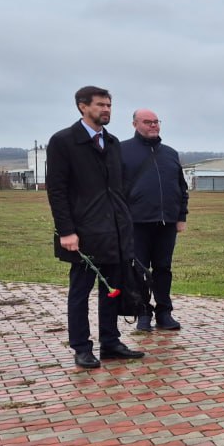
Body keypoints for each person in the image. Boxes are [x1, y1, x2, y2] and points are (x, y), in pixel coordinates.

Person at [46, 86, 143, 369]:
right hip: (83, 233)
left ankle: (110, 342)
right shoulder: (64, 141)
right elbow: (57, 190)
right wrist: (66, 231)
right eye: (101, 105)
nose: (106, 110)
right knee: (80, 292)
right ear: (82, 107)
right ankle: (81, 347)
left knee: (112, 289)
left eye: (109, 105)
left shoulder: (112, 143)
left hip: (114, 230)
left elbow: (118, 187)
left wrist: (123, 220)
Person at [120, 108, 189, 332]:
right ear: (135, 124)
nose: (153, 126)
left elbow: (181, 187)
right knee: (138, 270)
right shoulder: (122, 151)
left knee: (163, 268)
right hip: (136, 223)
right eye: (147, 122)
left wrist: (181, 216)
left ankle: (164, 312)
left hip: (166, 223)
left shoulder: (170, 153)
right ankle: (142, 313)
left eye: (156, 122)